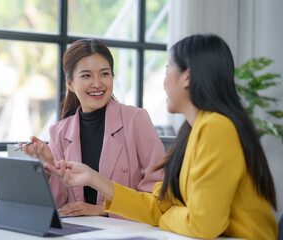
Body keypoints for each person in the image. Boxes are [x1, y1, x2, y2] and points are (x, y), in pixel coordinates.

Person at [45, 34, 278, 239]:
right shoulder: (193, 130)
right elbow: (158, 205)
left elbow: (201, 223)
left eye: (167, 71)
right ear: (71, 84)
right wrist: (94, 178)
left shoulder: (216, 127)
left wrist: (164, 216)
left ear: (186, 78)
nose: (164, 83)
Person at [21, 39, 166, 218]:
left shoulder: (136, 120)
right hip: (79, 231)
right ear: (70, 84)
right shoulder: (59, 132)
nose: (97, 83)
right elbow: (59, 204)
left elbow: (159, 195)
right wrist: (50, 166)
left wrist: (103, 210)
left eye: (105, 74)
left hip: (125, 231)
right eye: (86, 76)